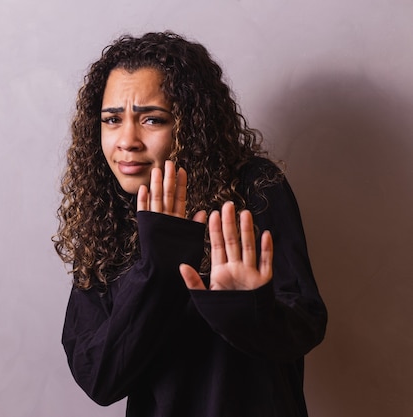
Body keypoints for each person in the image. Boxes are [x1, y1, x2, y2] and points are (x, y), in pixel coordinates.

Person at [53, 31, 327, 417]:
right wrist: (156, 270)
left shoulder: (253, 187)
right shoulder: (107, 216)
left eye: (152, 119)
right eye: (112, 120)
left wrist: (245, 308)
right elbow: (101, 379)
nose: (127, 140)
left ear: (191, 124)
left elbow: (306, 324)